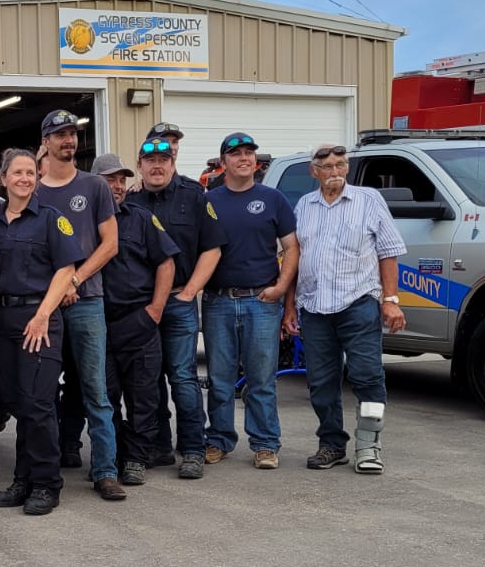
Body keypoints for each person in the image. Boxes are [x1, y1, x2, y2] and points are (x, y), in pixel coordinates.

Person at [283, 143, 408, 473]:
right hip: (313, 308)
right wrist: (290, 306)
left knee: (367, 377)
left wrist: (390, 301)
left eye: (340, 165)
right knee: (321, 382)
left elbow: (389, 252)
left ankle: (369, 445)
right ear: (314, 172)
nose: (335, 172)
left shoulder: (368, 200)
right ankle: (331, 444)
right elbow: (295, 260)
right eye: (327, 167)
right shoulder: (304, 206)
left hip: (358, 305)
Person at [0, 149, 86, 514]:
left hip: (38, 322)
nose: (25, 178)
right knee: (17, 403)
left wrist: (43, 315)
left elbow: (66, 269)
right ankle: (23, 479)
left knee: (39, 404)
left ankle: (47, 483)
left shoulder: (50, 219)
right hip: (0, 322)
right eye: (18, 172)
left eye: (31, 172)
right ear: (4, 178)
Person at [124, 133, 226, 479]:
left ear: (173, 163)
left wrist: (191, 291)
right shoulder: (129, 201)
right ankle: (157, 447)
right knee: (147, 381)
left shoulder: (194, 196)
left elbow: (212, 248)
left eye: (164, 160)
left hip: (178, 302)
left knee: (182, 378)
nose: (157, 166)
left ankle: (193, 450)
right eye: (150, 161)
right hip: (140, 305)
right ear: (140, 165)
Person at [35, 109, 124, 500]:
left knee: (95, 390)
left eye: (73, 134)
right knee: (41, 390)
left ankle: (105, 471)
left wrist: (75, 278)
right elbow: (28, 251)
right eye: (60, 135)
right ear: (46, 142)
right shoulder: (32, 190)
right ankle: (45, 463)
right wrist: (56, 289)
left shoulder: (94, 187)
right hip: (46, 307)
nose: (68, 140)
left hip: (87, 302)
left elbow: (110, 244)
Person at [202, 131, 298, 470]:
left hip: (262, 301)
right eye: (236, 153)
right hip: (218, 301)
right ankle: (218, 441)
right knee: (220, 377)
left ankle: (265, 444)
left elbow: (291, 248)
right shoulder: (209, 201)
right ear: (223, 162)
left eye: (249, 153)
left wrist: (281, 290)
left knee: (261, 378)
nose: (244, 158)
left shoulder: (274, 199)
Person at [101, 192, 180, 486]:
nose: (118, 186)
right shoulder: (85, 219)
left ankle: (136, 459)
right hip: (100, 323)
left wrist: (156, 310)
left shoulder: (141, 218)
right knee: (105, 397)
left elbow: (166, 262)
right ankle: (112, 456)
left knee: (143, 396)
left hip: (138, 318)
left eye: (122, 179)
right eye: (110, 180)